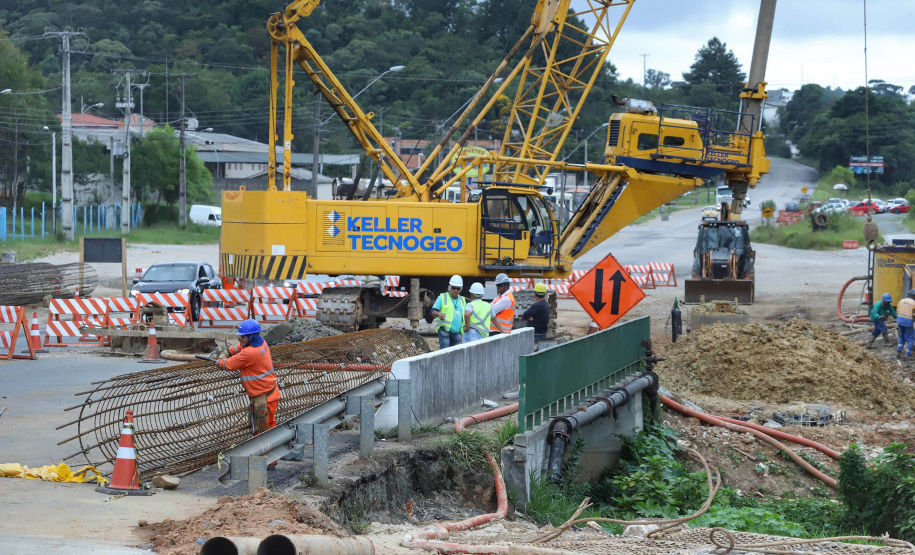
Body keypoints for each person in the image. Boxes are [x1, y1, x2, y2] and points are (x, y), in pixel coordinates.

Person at [218, 319, 282, 439]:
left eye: (242, 337)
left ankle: (268, 456)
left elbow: (228, 365)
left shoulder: (249, 353)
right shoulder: (262, 343)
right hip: (268, 393)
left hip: (265, 397)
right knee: (262, 427)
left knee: (264, 431)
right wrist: (229, 351)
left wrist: (220, 361)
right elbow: (240, 347)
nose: (239, 339)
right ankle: (264, 454)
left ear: (251, 336)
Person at [431, 275, 466, 349]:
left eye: (458, 288)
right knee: (445, 353)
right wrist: (439, 314)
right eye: (453, 288)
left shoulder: (462, 300)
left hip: (457, 332)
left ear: (460, 290)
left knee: (454, 354)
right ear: (449, 288)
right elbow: (432, 312)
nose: (455, 290)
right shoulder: (442, 297)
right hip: (444, 330)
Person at [897, 289, 915, 359]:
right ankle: (908, 354)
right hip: (908, 322)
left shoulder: (901, 301)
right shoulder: (914, 303)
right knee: (910, 338)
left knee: (901, 336)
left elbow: (898, 310)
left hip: (899, 321)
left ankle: (898, 351)